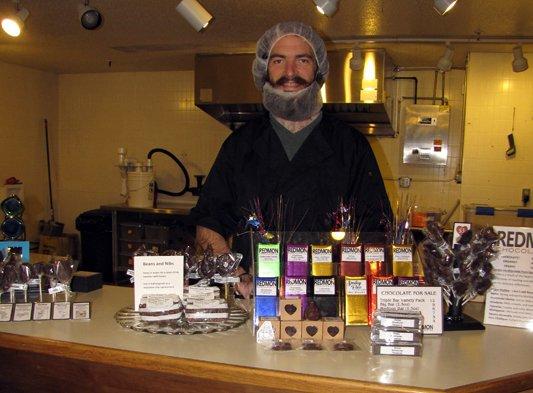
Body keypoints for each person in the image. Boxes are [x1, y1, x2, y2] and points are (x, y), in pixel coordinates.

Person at [190, 21, 392, 296]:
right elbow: (209, 221)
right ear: (264, 69)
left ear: (318, 68)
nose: (290, 72)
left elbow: (377, 231)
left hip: (330, 301)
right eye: (278, 61)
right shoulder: (239, 146)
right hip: (254, 298)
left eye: (302, 60)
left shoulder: (351, 146)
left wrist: (357, 287)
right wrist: (231, 273)